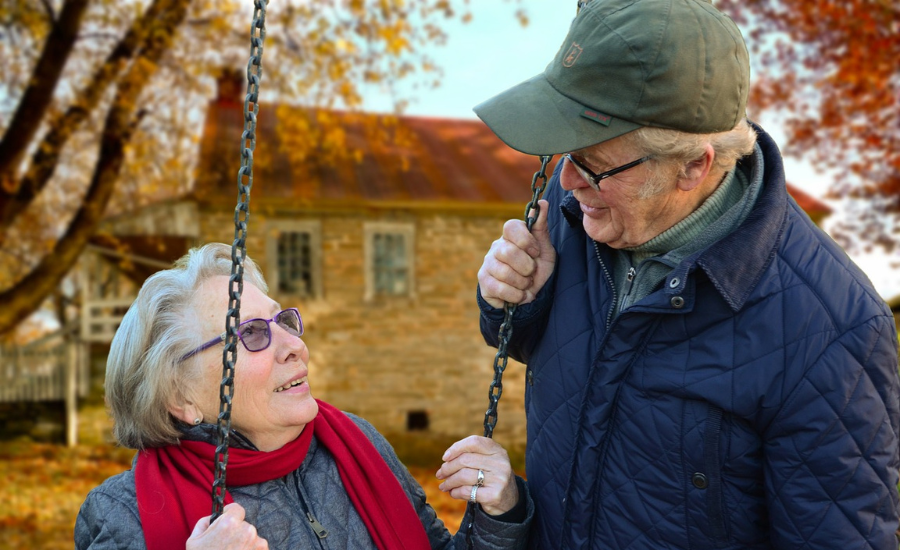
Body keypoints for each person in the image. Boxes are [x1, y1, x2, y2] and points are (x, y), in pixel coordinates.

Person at [473, 0, 900, 548]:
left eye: (595, 165)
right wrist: (514, 300)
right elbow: (547, 354)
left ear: (694, 166)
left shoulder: (832, 328)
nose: (568, 179)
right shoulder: (577, 205)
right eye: (563, 154)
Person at [75, 243, 532, 550]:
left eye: (283, 321)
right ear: (181, 397)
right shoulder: (122, 515)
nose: (294, 345)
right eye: (251, 334)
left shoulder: (357, 443)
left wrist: (499, 513)